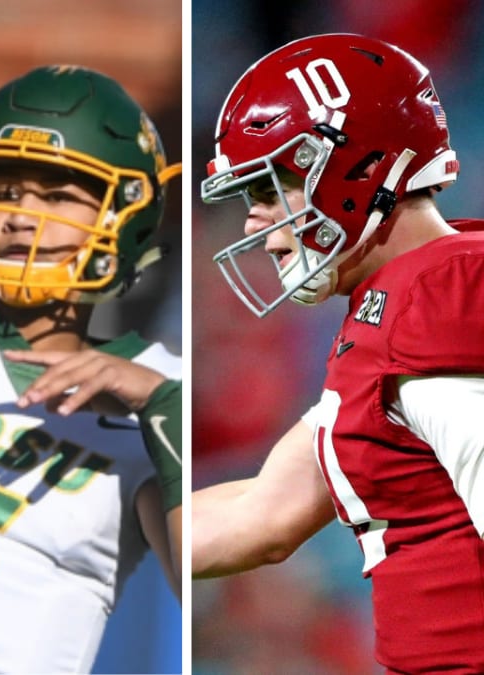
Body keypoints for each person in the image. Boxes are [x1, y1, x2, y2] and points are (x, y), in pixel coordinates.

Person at [194, 33, 484, 673]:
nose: (256, 227)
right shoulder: (396, 301)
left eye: (271, 190)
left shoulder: (435, 301)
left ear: (357, 169)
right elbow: (261, 516)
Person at [0, 65, 183, 674]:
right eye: (4, 191)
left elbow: (198, 576)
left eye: (55, 196)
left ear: (124, 216)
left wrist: (165, 410)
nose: (21, 216)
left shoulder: (164, 390)